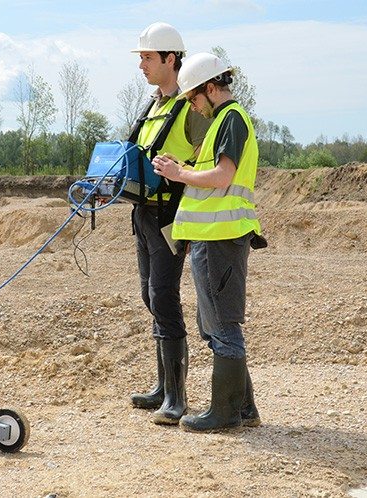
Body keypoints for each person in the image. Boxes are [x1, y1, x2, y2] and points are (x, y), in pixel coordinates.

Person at [151, 52, 264, 432]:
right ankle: (244, 409)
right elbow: (210, 173)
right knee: (212, 323)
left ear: (210, 89)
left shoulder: (231, 119)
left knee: (223, 325)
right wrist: (179, 169)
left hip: (221, 238)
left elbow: (222, 176)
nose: (193, 107)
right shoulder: (221, 122)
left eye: (194, 99)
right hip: (209, 238)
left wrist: (179, 173)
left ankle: (226, 413)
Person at [128, 22, 211, 425]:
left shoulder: (192, 109)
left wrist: (182, 173)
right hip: (143, 213)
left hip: (171, 216)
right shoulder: (152, 107)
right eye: (141, 57)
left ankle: (177, 398)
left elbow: (210, 161)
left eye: (147, 57)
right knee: (151, 296)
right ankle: (164, 387)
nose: (141, 64)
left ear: (170, 59)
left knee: (163, 296)